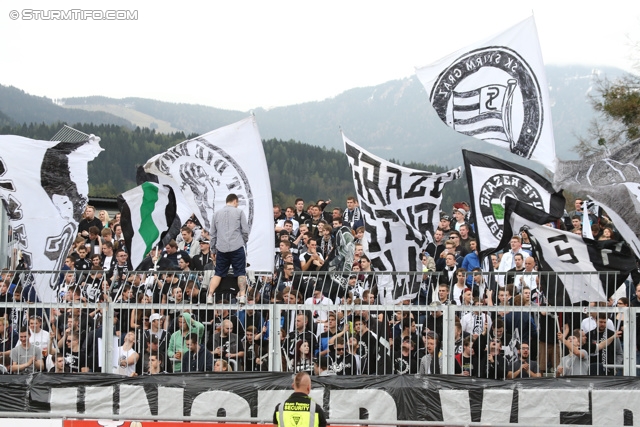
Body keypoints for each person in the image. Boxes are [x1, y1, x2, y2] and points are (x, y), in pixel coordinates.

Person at [207, 193, 250, 305]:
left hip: (221, 248)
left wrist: (213, 249)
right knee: (240, 272)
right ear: (235, 201)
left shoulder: (216, 214)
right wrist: (243, 241)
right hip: (236, 247)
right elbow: (245, 230)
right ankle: (242, 296)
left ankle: (210, 295)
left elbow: (213, 234)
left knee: (218, 273)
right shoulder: (239, 212)